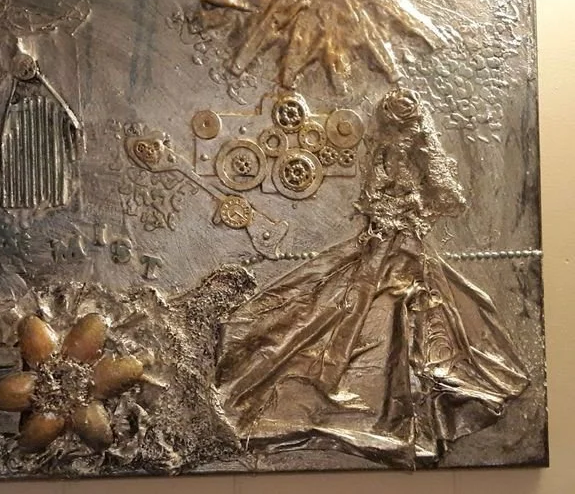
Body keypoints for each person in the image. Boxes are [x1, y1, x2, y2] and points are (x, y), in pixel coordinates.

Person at [216, 88, 529, 466]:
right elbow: (379, 198)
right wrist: (402, 212)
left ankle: (391, 406)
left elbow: (447, 199)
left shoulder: (412, 153)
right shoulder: (387, 151)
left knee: (380, 315)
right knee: (342, 310)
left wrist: (413, 212)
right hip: (384, 246)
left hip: (402, 250)